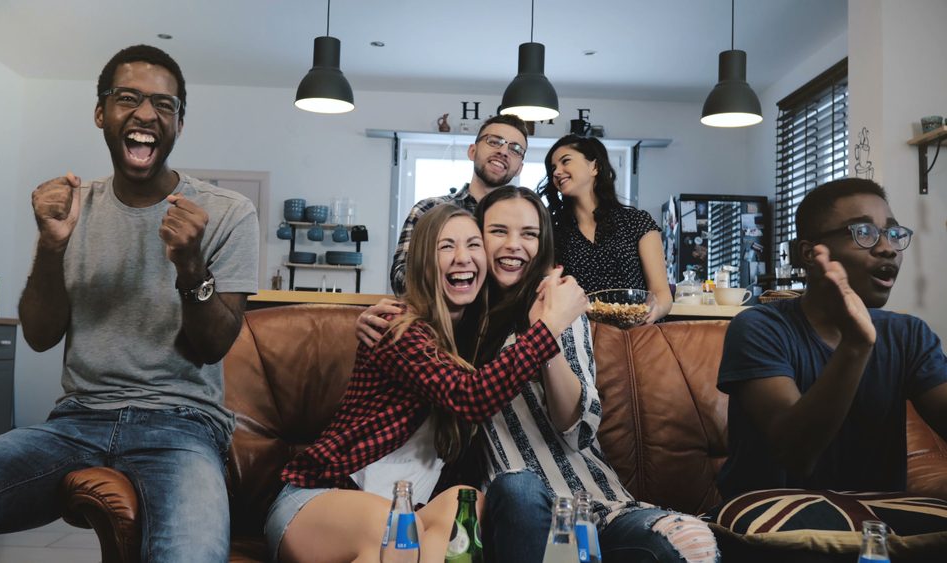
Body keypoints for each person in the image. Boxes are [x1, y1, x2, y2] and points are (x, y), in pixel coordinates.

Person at [0, 45, 259, 561]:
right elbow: (41, 336)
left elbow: (212, 347)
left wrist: (190, 265)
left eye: (164, 104)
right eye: (128, 98)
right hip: (76, 420)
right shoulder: (72, 207)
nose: (145, 114)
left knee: (193, 552)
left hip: (182, 424)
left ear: (179, 123)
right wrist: (51, 244)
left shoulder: (226, 213)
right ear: (101, 113)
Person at [359, 187, 719, 563]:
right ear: (477, 239)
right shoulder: (457, 317)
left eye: (529, 234)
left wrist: (544, 335)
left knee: (693, 541)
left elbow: (578, 427)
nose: (514, 245)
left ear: (542, 242)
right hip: (509, 506)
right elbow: (421, 320)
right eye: (498, 231)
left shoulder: (558, 304)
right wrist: (375, 317)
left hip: (589, 506)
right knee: (520, 487)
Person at [269, 204, 588, 563]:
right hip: (318, 501)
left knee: (466, 504)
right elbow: (471, 397)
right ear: (422, 260)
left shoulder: (471, 340)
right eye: (446, 246)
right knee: (398, 527)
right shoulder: (398, 327)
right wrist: (550, 327)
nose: (462, 258)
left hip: (406, 510)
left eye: (473, 245)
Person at [716, 178, 947, 500]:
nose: (887, 248)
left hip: (878, 529)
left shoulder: (909, 335)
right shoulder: (758, 327)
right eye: (863, 232)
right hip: (772, 526)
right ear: (809, 253)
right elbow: (795, 454)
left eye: (893, 233)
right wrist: (856, 344)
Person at [390, 114, 529, 296]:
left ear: (519, 167)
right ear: (472, 151)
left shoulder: (526, 223)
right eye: (494, 142)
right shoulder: (428, 209)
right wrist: (458, 287)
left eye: (515, 149)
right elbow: (402, 278)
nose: (503, 151)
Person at [538, 134, 673, 322]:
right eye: (553, 168)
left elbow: (662, 294)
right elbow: (548, 292)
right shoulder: (552, 231)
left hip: (636, 337)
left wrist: (653, 312)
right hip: (582, 340)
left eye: (565, 161)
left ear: (594, 167)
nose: (557, 172)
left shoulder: (637, 222)